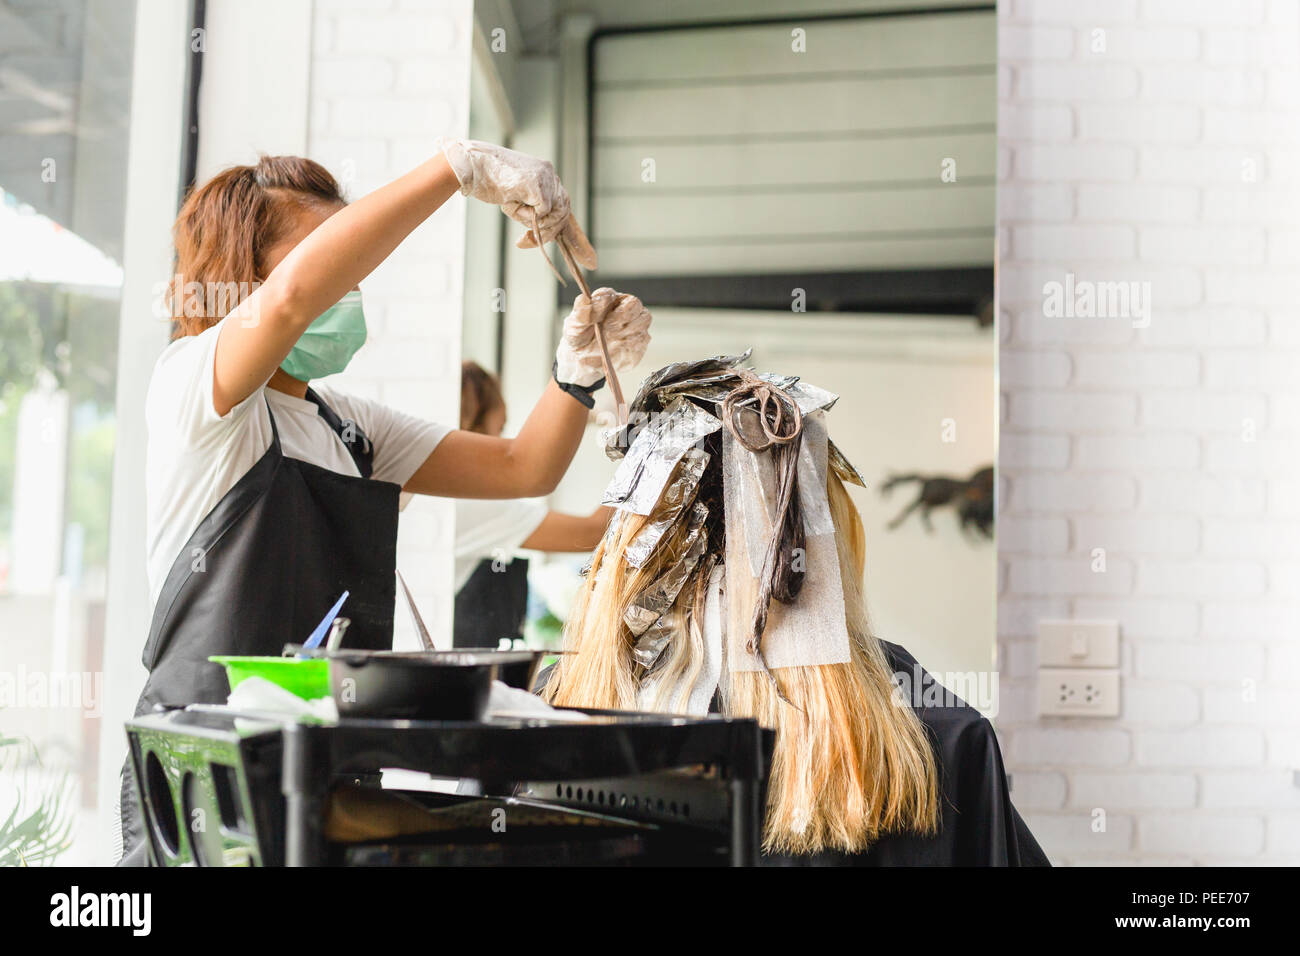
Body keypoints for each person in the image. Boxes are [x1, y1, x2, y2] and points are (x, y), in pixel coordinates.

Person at [118, 141, 651, 864]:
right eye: (329, 255)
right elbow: (291, 299)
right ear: (242, 277)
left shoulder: (348, 426)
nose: (351, 284)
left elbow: (524, 466)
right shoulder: (197, 391)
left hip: (324, 772)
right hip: (206, 778)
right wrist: (454, 170)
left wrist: (579, 376)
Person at [452, 360, 612, 648]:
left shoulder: (448, 494)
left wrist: (582, 418)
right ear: (473, 425)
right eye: (498, 430)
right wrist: (645, 456)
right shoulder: (470, 503)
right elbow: (594, 532)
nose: (501, 444)